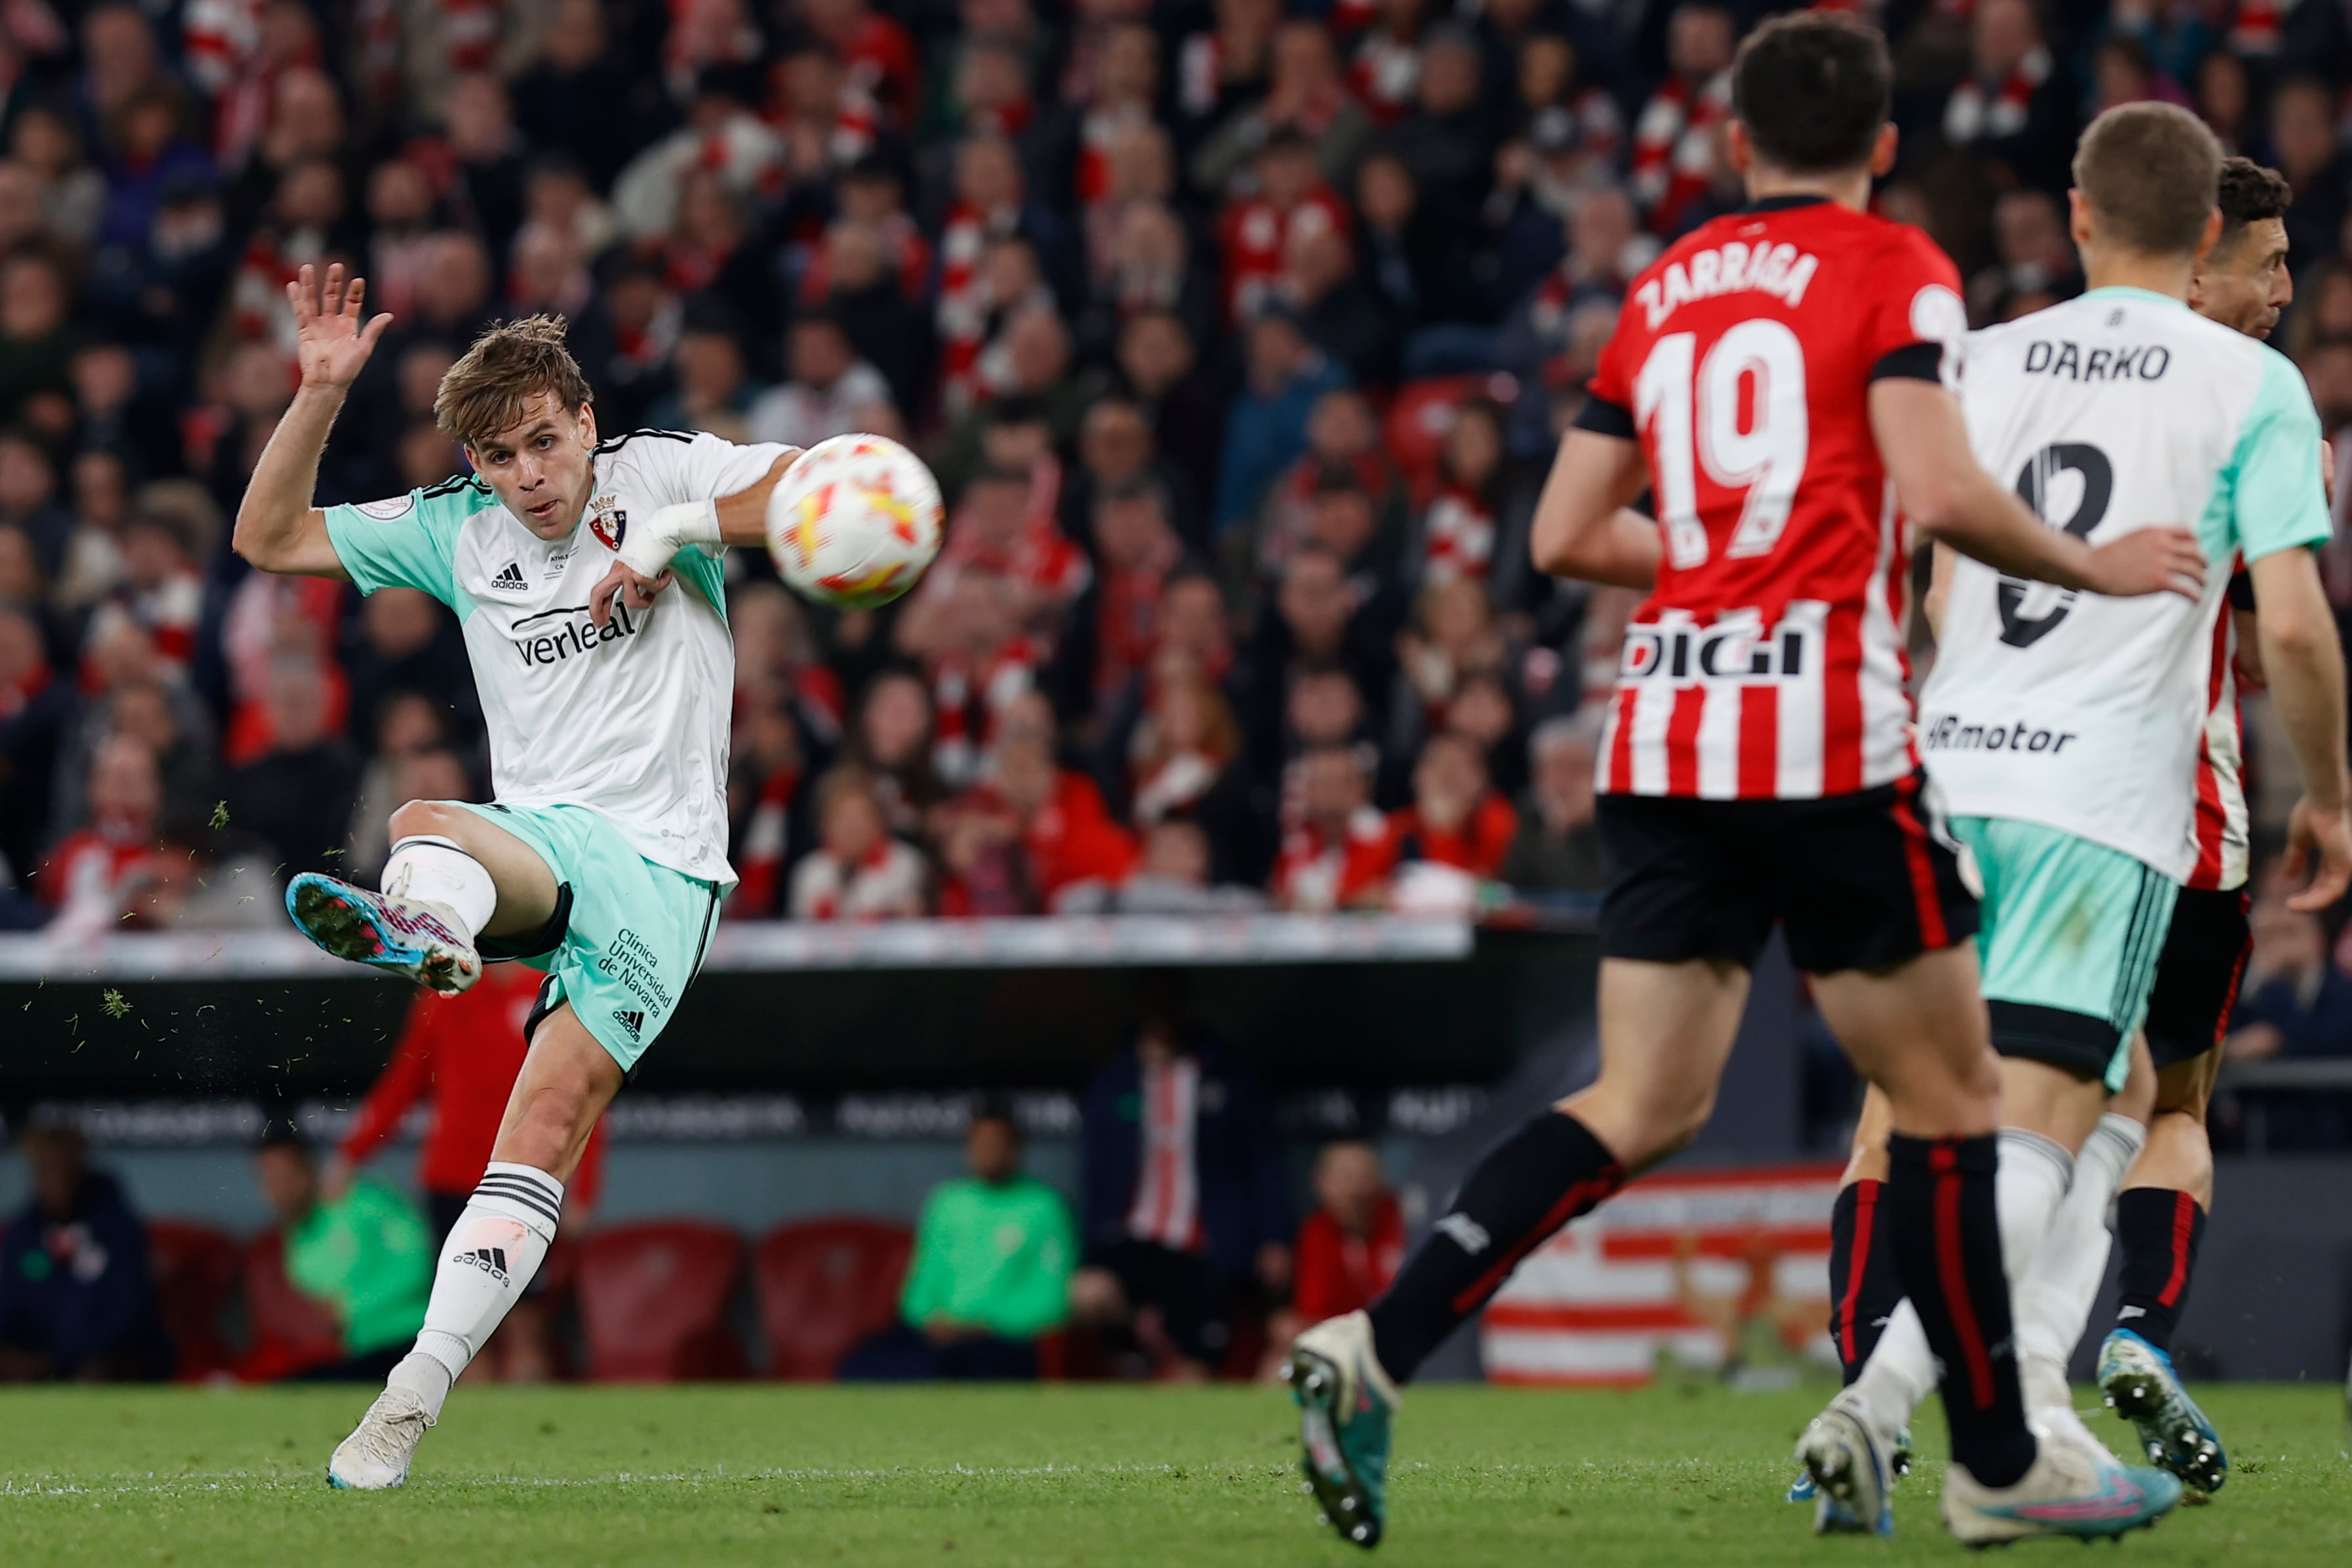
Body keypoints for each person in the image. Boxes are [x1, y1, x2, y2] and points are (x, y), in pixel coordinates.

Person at [1285, 15, 2203, 1550]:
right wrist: (2087, 564)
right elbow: (1929, 485)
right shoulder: (1892, 266)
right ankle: (1993, 1462)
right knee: (1951, 1098)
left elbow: (1566, 535)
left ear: (1729, 145)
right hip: (1822, 746)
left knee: (1637, 1103)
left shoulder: (1661, 288)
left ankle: (1372, 1342)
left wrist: (1718, 562)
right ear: (1882, 147)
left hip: (1660, 734)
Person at [1818, 101, 2352, 1526]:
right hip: (2104, 796)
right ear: (2198, 244)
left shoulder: (1975, 361)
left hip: (1939, 772)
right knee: (2086, 1120)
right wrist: (2338, 802)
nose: (2286, 288)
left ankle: (1962, 1403)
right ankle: (1925, 1417)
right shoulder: (2248, 384)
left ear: (2071, 215)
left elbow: (1924, 573)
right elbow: (2294, 632)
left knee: (1922, 1109)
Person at [228, 264, 798, 1487]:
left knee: (540, 1127)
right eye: (501, 456)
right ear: (475, 464)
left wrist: (667, 535)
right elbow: (267, 537)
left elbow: (809, 485)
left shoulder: (657, 468)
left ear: (586, 421)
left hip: (667, 873)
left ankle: (404, 1399)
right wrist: (320, 390)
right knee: (427, 812)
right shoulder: (457, 528)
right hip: (543, 843)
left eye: (545, 442)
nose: (530, 475)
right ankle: (433, 929)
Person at [328, 963, 605, 1384]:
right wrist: (352, 1153)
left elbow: (586, 1093)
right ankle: (474, 1446)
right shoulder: (443, 994)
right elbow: (403, 1083)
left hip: (524, 1182)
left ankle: (535, 1442)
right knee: (461, 1332)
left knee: (525, 1328)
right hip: (451, 1182)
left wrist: (584, 1189)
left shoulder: (552, 990)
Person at [1074, 1013, 1291, 1381]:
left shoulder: (1228, 1080)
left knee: (1195, 1373)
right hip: (1135, 1240)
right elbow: (1097, 1172)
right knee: (1088, 1294)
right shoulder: (1116, 1081)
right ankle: (1137, 1354)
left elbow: (1263, 1163)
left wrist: (1274, 1236)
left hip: (1203, 1248)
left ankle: (1174, 1367)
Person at [840, 1105, 1075, 1380]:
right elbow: (921, 1285)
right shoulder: (947, 1203)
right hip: (940, 1333)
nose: (986, 1151)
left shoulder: (1044, 1207)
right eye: (978, 1143)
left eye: (995, 1143)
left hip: (1003, 1337)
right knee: (860, 1363)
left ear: (1016, 1149)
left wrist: (985, 1323)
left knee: (949, 1367)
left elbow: (1052, 1298)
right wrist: (932, 1320)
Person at [255, 1124, 434, 1383]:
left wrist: (349, 1308)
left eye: (285, 1176)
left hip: (417, 1337)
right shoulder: (295, 1244)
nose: (279, 1188)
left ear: (308, 1172)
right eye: (268, 1178)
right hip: (364, 1351)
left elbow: (420, 1265)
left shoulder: (363, 1201)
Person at [0, 1121, 168, 1381]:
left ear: (79, 1165)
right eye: (45, 1167)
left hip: (105, 1355)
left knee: (97, 1372)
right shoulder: (23, 1235)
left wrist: (61, 1358)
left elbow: (129, 1309)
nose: (55, 1177)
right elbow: (9, 1303)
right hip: (39, 1357)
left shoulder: (118, 1229)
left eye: (62, 1165)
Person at [1261, 1140, 1403, 1380]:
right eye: (1346, 1177)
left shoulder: (1403, 1224)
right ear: (1321, 1183)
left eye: (1365, 1176)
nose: (1357, 1189)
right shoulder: (1316, 1233)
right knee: (1277, 1362)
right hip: (1343, 1344)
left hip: (1396, 1343)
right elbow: (1314, 1313)